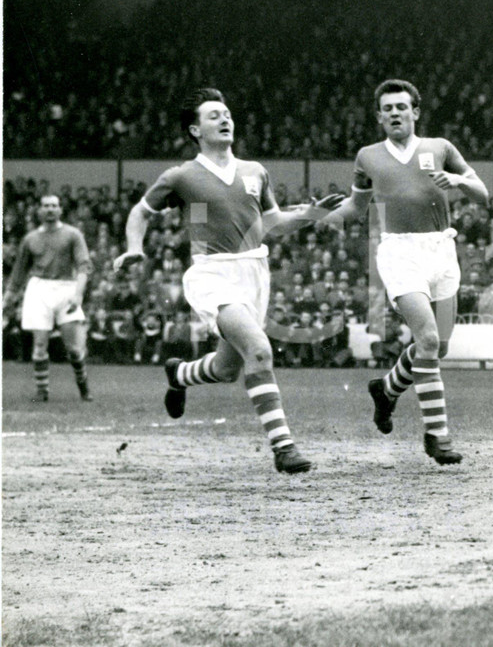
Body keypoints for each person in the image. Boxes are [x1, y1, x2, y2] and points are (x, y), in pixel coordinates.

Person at [113, 88, 326, 474]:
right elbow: (140, 212)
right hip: (212, 272)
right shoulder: (181, 176)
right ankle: (284, 447)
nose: (225, 119)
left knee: (229, 368)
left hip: (254, 272)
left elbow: (272, 224)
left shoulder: (255, 171)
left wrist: (310, 214)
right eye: (214, 115)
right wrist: (133, 247)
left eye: (227, 113)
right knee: (259, 350)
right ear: (195, 129)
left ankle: (178, 374)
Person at [319, 79, 489, 465]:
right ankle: (437, 435)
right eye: (388, 108)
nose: (395, 113)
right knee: (427, 338)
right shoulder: (368, 157)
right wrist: (323, 216)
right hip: (399, 252)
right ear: (379, 117)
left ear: (415, 111)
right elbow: (356, 207)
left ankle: (386, 390)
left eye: (402, 106)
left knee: (438, 347)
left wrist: (459, 180)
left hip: (441, 249)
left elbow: (483, 193)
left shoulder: (440, 148)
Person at [3, 194, 93, 402]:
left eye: (54, 205)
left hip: (66, 288)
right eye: (46, 206)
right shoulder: (30, 239)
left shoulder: (73, 234)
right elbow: (18, 274)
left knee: (74, 349)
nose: (50, 209)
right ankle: (42, 392)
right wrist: (6, 300)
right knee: (40, 344)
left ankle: (83, 386)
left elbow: (83, 266)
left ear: (60, 210)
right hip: (39, 289)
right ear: (39, 211)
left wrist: (78, 294)